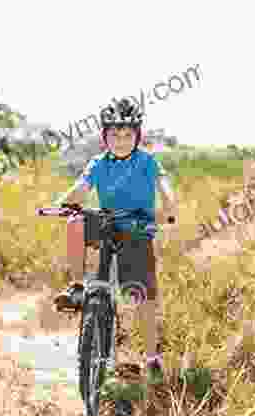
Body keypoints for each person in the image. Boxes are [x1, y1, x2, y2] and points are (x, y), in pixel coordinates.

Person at [53, 97, 178, 384]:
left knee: (143, 298)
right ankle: (76, 287)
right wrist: (63, 203)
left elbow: (165, 187)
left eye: (127, 135)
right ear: (104, 137)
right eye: (114, 135)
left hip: (137, 227)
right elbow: (80, 189)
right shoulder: (99, 163)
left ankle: (150, 358)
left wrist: (169, 207)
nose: (121, 140)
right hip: (107, 222)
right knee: (75, 220)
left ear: (138, 136)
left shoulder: (147, 162)